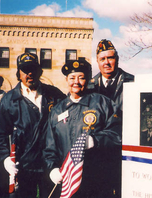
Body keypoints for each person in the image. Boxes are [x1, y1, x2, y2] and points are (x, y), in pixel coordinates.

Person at [43, 59, 122, 198]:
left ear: (87, 80)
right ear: (67, 80)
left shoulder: (103, 103)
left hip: (97, 179)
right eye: (72, 78)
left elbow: (117, 133)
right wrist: (52, 168)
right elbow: (50, 146)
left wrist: (95, 140)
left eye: (81, 77)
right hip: (69, 179)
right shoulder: (57, 111)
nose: (76, 82)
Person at [0, 52, 66, 198]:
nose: (30, 73)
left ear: (40, 71)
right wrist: (6, 158)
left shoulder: (54, 94)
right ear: (19, 73)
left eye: (33, 68)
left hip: (50, 165)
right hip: (24, 166)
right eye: (25, 70)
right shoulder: (9, 100)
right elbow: (0, 133)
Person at [88, 39, 134, 115]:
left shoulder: (132, 82)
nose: (106, 62)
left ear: (117, 59)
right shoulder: (89, 87)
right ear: (97, 61)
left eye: (110, 58)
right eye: (102, 59)